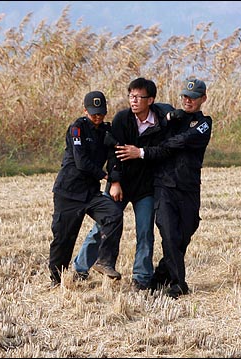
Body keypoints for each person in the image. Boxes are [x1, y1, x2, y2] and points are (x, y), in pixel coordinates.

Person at [73, 78, 173, 291]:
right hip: (121, 182)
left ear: (151, 100)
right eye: (131, 96)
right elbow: (113, 152)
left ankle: (142, 278)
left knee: (145, 231)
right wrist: (115, 181)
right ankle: (80, 268)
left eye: (138, 97)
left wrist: (140, 153)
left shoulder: (161, 123)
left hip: (145, 186)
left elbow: (165, 151)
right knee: (103, 224)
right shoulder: (122, 119)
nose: (134, 101)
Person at [115, 78, 212, 298]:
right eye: (185, 97)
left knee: (185, 233)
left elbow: (183, 141)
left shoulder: (205, 122)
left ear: (202, 99)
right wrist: (151, 146)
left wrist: (164, 145)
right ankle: (179, 283)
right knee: (168, 234)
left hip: (188, 186)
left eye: (194, 97)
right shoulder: (169, 118)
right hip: (164, 185)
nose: (188, 101)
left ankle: (160, 276)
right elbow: (156, 138)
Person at [49, 90, 124, 287]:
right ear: (85, 111)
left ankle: (104, 261)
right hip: (69, 191)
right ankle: (57, 280)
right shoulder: (77, 128)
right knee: (63, 238)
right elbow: (81, 162)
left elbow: (114, 158)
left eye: (101, 113)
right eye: (93, 114)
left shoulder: (106, 132)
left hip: (90, 193)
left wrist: (114, 178)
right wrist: (104, 175)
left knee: (114, 214)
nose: (98, 118)